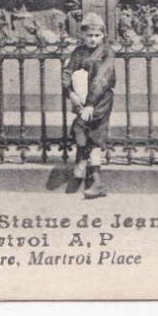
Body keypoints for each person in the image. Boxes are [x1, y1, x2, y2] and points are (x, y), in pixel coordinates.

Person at [61, 12, 116, 198]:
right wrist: (70, 93)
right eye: (89, 36)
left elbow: (103, 79)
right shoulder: (78, 52)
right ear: (82, 36)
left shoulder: (107, 52)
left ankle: (86, 169)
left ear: (103, 35)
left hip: (99, 101)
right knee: (80, 130)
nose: (93, 40)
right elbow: (68, 72)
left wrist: (91, 104)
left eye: (97, 35)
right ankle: (94, 179)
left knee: (94, 134)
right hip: (82, 100)